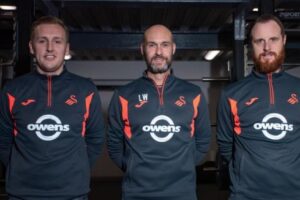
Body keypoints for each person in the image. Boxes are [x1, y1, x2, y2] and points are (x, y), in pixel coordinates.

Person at [0, 16, 105, 199]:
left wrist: (75, 170)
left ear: (66, 48)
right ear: (32, 47)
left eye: (57, 41)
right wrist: (19, 169)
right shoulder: (13, 91)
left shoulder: (85, 90)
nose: (50, 48)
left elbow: (95, 139)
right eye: (42, 41)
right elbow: (3, 140)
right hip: (22, 194)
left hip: (72, 193)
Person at [107, 24, 211, 200]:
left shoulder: (193, 94)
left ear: (173, 48)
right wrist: (132, 166)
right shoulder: (123, 95)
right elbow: (113, 145)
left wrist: (184, 164)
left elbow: (203, 141)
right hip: (136, 193)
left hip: (182, 193)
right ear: (142, 49)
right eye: (152, 45)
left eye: (164, 44)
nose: (158, 52)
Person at [217, 14, 300, 200]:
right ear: (251, 45)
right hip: (245, 195)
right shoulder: (231, 94)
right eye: (259, 41)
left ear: (284, 40)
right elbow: (225, 144)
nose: (267, 48)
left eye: (273, 40)